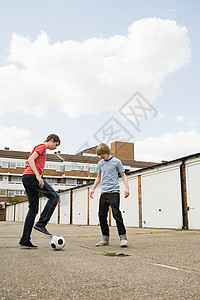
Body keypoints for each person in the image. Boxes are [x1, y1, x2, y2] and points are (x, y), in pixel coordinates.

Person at [19, 134, 61, 249]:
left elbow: (30, 163)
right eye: (55, 145)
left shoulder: (41, 148)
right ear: (51, 140)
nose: (55, 148)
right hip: (32, 177)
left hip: (27, 178)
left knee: (33, 210)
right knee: (54, 196)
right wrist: (38, 176)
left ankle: (25, 239)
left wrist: (28, 185)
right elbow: (30, 159)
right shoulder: (42, 147)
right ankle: (41, 224)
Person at [90, 143, 130, 247]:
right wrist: (93, 188)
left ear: (107, 152)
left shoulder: (116, 162)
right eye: (99, 155)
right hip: (104, 193)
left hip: (114, 192)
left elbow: (123, 175)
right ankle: (105, 238)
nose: (101, 156)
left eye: (102, 154)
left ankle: (123, 238)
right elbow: (98, 177)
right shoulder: (100, 163)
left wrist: (127, 188)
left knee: (116, 214)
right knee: (102, 215)